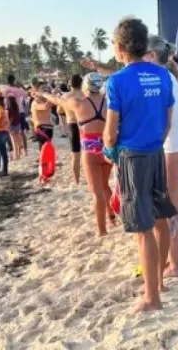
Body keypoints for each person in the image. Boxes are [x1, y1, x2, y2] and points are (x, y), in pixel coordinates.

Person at [103, 17, 177, 312]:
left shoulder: (117, 81)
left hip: (132, 157)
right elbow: (168, 121)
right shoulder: (162, 75)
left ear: (120, 48)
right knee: (160, 220)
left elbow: (110, 131)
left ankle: (151, 298)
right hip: (156, 151)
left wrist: (111, 150)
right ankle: (157, 283)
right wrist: (155, 141)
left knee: (142, 229)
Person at [42, 73, 117, 235]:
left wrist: (44, 94)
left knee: (96, 192)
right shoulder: (109, 102)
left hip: (90, 151)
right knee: (105, 186)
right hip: (107, 149)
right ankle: (111, 216)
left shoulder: (78, 103)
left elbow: (58, 101)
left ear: (85, 87)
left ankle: (102, 230)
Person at [147, 36, 178, 273]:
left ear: (152, 56)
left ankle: (174, 262)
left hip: (172, 147)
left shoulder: (162, 78)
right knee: (175, 204)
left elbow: (164, 118)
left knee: (168, 208)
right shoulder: (173, 76)